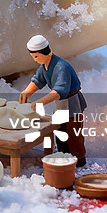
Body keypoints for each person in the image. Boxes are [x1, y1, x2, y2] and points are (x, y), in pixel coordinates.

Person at [19, 34, 87, 167]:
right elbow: (38, 80)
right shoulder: (45, 65)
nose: (35, 60)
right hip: (61, 103)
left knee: (73, 132)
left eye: (36, 57)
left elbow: (59, 91)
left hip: (72, 102)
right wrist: (27, 92)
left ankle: (79, 158)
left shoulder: (61, 66)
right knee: (59, 129)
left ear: (44, 53)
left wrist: (40, 102)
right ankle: (63, 153)